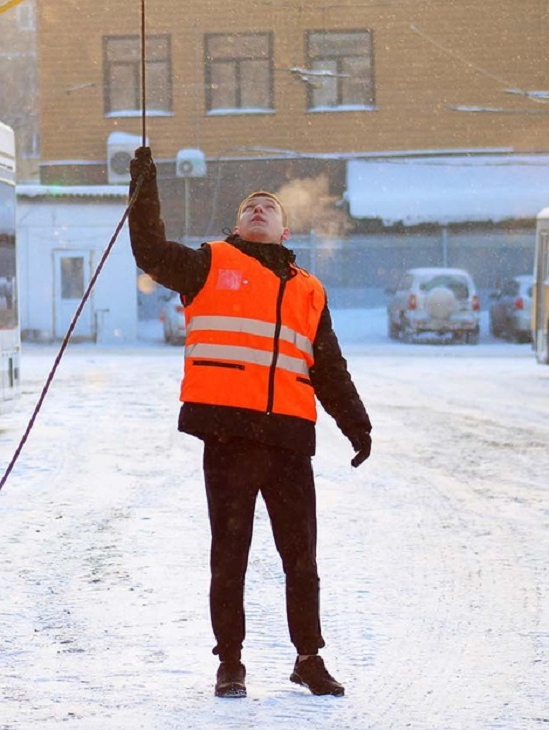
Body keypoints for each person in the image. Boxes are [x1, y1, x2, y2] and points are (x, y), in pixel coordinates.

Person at [127, 146, 371, 699]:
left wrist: (357, 425)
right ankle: (230, 663)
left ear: (286, 230)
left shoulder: (309, 290)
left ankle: (308, 658)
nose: (259, 209)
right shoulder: (208, 264)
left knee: (301, 559)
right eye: (250, 207)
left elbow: (328, 367)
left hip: (287, 441)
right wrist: (143, 186)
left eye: (270, 206)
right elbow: (149, 249)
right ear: (236, 225)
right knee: (229, 555)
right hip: (230, 437)